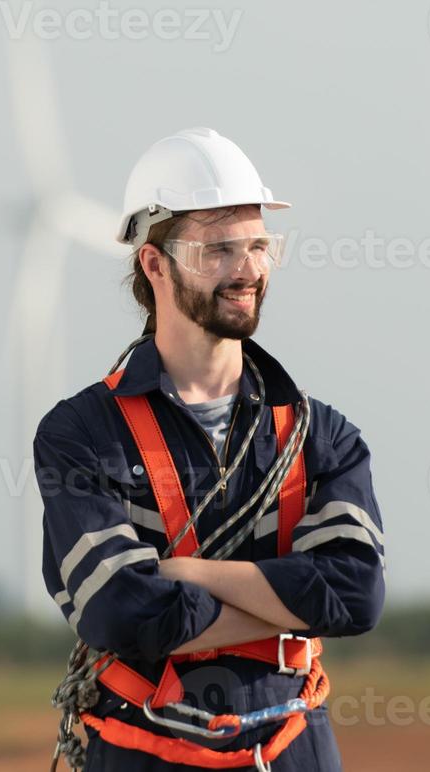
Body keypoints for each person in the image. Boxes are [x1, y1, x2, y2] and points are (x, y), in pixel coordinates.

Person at [36, 128, 385, 771]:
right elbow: (119, 611)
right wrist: (287, 608)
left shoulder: (321, 434)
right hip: (145, 752)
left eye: (258, 245)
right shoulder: (80, 435)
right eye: (218, 250)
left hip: (291, 748)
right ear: (155, 265)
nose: (249, 269)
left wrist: (182, 572)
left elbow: (356, 595)